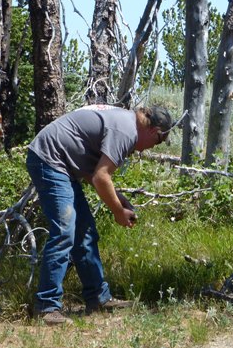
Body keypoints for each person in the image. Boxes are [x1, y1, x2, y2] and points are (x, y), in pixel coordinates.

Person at [26, 104, 175, 325]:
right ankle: (46, 306)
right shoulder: (127, 132)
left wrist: (119, 199)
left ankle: (98, 298)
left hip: (63, 165)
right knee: (65, 231)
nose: (150, 148)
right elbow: (101, 178)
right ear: (154, 131)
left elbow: (92, 171)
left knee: (84, 233)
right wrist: (118, 212)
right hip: (49, 160)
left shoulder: (126, 124)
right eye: (158, 142)